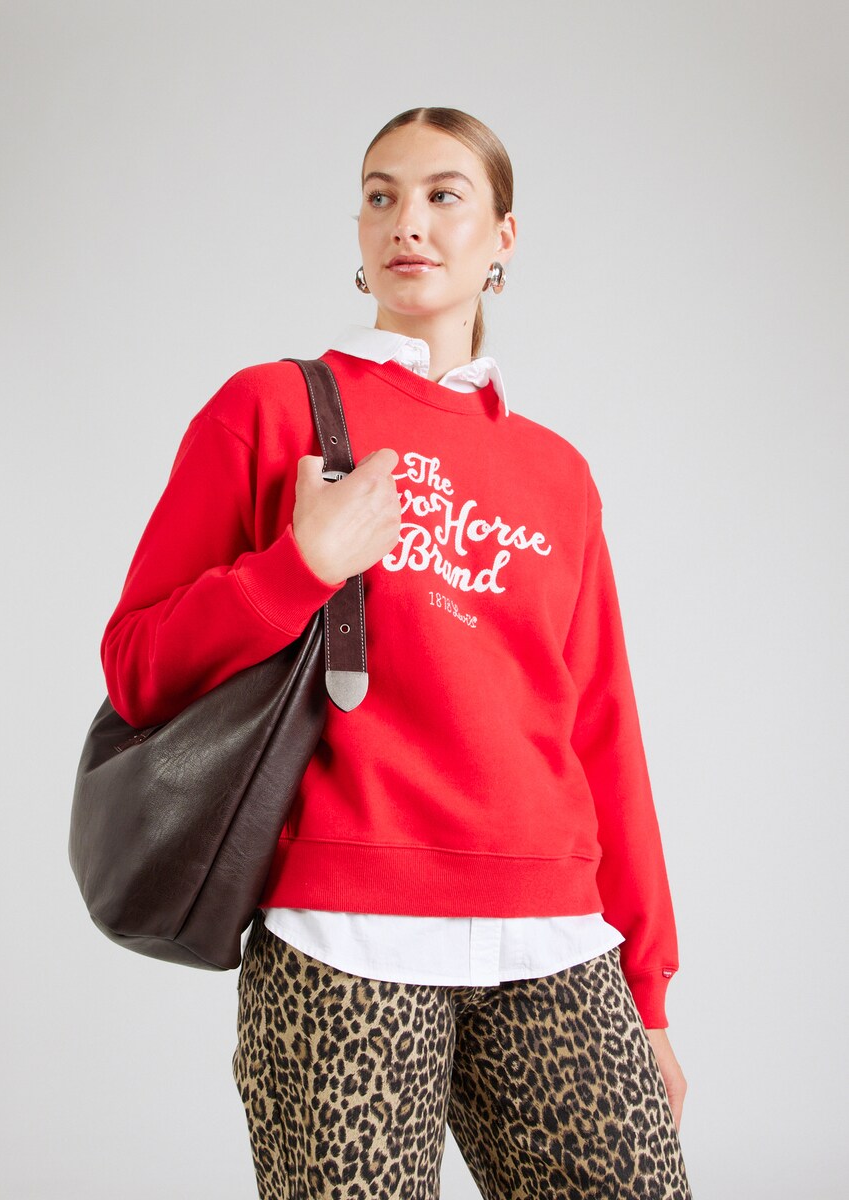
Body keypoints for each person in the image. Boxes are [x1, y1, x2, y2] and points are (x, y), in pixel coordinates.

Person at [101, 107, 693, 1199]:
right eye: (381, 196)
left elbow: (603, 728)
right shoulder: (271, 409)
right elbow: (137, 665)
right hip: (343, 940)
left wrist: (646, 995)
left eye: (441, 195)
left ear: (503, 237)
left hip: (557, 939)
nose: (406, 221)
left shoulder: (557, 473)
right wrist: (300, 567)